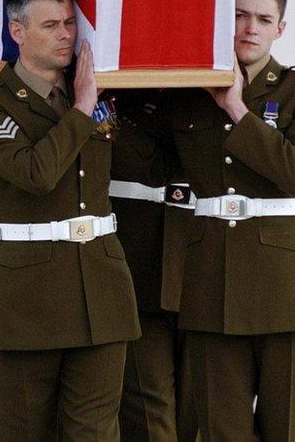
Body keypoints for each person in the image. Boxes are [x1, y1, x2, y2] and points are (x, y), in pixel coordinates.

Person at [0, 0, 140, 441]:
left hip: (100, 291)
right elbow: (35, 173)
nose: (66, 34)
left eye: (69, 24)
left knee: (97, 434)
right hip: (26, 300)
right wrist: (81, 109)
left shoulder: (98, 96)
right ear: (17, 32)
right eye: (51, 25)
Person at [165, 0, 295, 440]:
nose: (250, 28)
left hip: (288, 287)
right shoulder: (185, 90)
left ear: (280, 29)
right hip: (212, 281)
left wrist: (236, 108)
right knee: (222, 431)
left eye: (263, 19)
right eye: (239, 15)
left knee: (287, 428)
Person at [107, 89, 198, 441]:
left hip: (204, 274)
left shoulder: (223, 96)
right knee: (148, 417)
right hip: (135, 274)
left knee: (199, 415)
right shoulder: (109, 97)